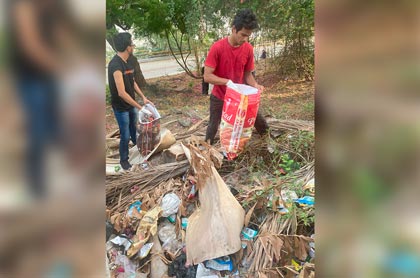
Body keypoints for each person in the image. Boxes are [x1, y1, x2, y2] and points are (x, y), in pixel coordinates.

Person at [203, 9, 269, 145]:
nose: (245, 39)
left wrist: (255, 86)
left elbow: (248, 74)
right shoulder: (217, 48)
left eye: (248, 36)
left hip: (241, 96)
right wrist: (227, 82)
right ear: (234, 29)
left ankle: (269, 143)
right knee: (213, 125)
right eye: (243, 35)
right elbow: (207, 77)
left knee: (258, 120)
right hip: (220, 96)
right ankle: (206, 149)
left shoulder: (248, 49)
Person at [108, 32, 153, 170]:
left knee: (134, 129)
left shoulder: (129, 61)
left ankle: (138, 151)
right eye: (132, 44)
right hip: (121, 107)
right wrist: (139, 106)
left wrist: (143, 97)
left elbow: (132, 82)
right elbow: (121, 93)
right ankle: (124, 160)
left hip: (131, 104)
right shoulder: (115, 65)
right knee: (125, 134)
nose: (133, 46)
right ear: (127, 47)